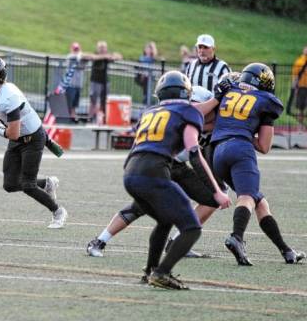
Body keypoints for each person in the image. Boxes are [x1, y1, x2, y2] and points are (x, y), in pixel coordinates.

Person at [86, 85, 224, 257]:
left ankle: (177, 242)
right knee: (140, 207)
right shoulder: (184, 114)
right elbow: (195, 117)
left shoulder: (210, 121)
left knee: (211, 198)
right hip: (160, 165)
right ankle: (100, 240)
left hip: (176, 167)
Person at [122, 71, 230, 289]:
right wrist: (216, 190)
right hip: (154, 172)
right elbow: (194, 153)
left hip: (130, 173)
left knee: (165, 220)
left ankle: (151, 270)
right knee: (191, 227)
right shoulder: (187, 111)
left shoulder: (150, 112)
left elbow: (135, 147)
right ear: (186, 92)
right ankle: (161, 273)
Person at [199, 63, 305, 266]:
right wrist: (248, 133)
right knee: (247, 197)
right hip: (240, 149)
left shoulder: (229, 91)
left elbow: (213, 120)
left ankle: (286, 251)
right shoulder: (266, 102)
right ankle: (236, 237)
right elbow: (264, 146)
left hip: (217, 152)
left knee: (259, 201)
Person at [0, 55, 66, 228]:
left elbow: (12, 134)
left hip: (32, 139)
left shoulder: (10, 97)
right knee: (10, 184)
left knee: (28, 185)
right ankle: (47, 183)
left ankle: (58, 211)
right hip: (19, 138)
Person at [88, 41, 122, 124]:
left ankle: (102, 118)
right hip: (95, 81)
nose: (102, 49)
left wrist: (112, 56)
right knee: (93, 100)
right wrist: (105, 56)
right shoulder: (96, 55)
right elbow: (93, 57)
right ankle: (91, 118)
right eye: (101, 47)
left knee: (104, 101)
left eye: (104, 47)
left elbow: (119, 56)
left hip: (105, 81)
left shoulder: (107, 57)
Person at [55, 42, 87, 118]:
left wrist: (81, 56)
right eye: (75, 49)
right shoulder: (70, 57)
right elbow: (76, 58)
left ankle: (73, 115)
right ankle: (67, 116)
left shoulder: (81, 57)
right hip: (70, 84)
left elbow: (83, 64)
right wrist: (79, 55)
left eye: (77, 49)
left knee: (75, 103)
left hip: (78, 84)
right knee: (69, 101)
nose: (76, 51)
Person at [291, 46, 307, 129]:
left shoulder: (299, 61)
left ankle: (301, 125)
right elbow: (295, 76)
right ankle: (300, 125)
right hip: (302, 87)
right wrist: (295, 86)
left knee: (301, 108)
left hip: (302, 87)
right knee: (301, 108)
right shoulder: (299, 62)